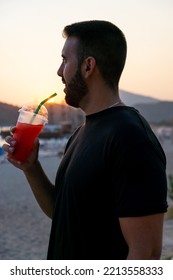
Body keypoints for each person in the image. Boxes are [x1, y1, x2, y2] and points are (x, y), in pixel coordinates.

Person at [3, 20, 168, 260]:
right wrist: (32, 168)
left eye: (65, 60)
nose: (59, 71)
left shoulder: (130, 137)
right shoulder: (82, 132)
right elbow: (62, 211)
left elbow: (146, 254)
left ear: (88, 66)